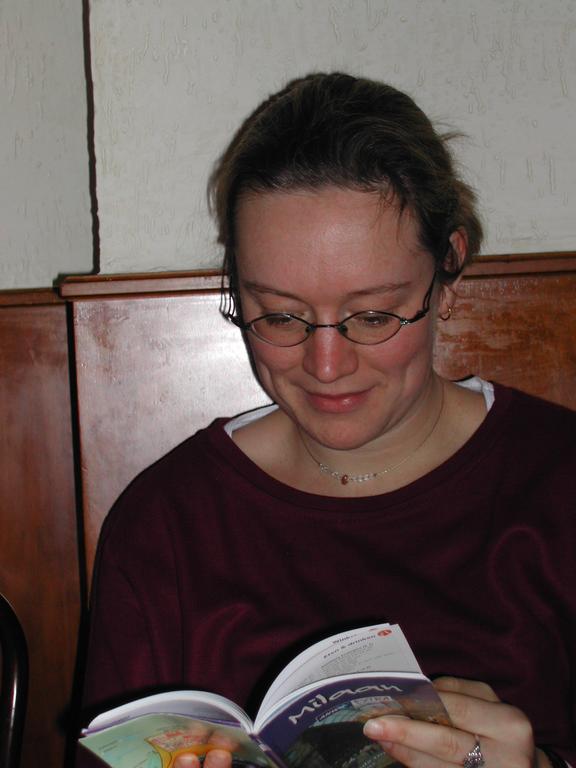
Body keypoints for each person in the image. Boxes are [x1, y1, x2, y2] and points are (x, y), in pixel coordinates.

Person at [79, 72, 576, 768]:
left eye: (373, 315)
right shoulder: (167, 521)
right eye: (279, 315)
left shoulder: (558, 486)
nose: (326, 364)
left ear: (449, 268)